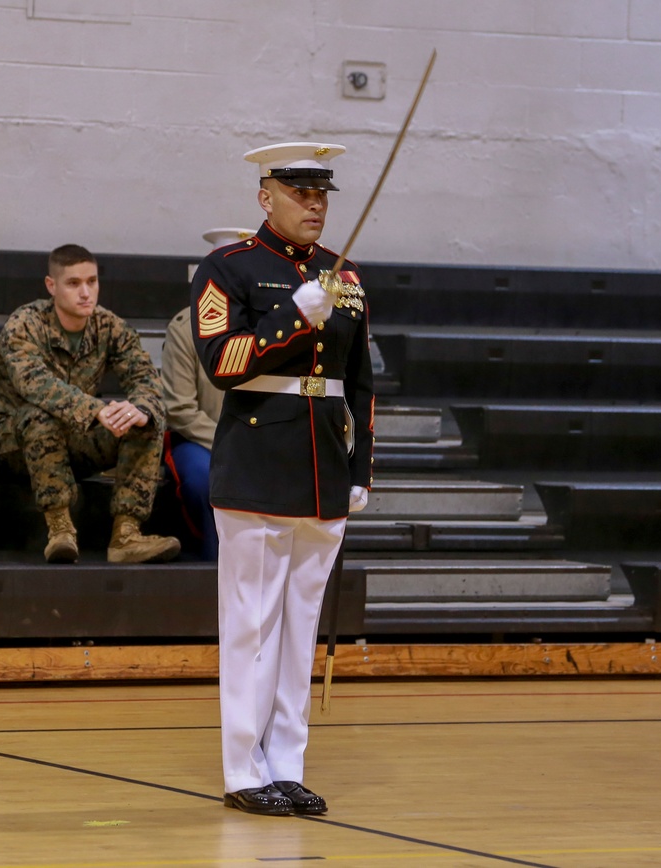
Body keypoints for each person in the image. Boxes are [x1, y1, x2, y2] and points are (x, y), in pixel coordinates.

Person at [190, 142, 374, 816]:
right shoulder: (228, 268)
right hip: (258, 462)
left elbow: (359, 382)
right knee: (250, 624)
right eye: (300, 191)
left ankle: (287, 763)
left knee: (299, 628)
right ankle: (244, 768)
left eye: (322, 192)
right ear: (265, 197)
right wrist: (294, 316)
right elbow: (223, 361)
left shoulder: (345, 275)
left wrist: (361, 466)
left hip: (324, 467)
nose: (315, 203)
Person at [0, 244, 181, 564]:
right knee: (40, 416)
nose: (86, 292)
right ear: (52, 286)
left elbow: (146, 379)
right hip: (11, 446)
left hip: (75, 442)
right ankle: (60, 530)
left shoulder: (109, 326)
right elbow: (36, 385)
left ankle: (126, 536)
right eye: (74, 283)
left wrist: (140, 409)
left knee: (144, 420)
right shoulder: (24, 324)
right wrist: (96, 409)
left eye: (92, 281)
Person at [161, 230, 253, 560]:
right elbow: (179, 409)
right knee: (209, 481)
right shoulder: (185, 328)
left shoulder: (270, 326)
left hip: (255, 439)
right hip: (199, 440)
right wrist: (234, 446)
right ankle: (213, 574)